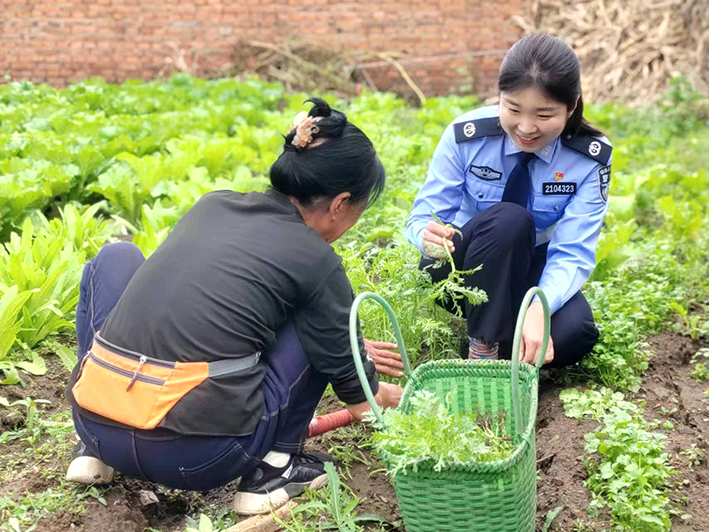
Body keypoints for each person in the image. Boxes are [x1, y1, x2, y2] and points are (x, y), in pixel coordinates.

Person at [64, 98, 404, 515]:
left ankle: (91, 446)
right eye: (358, 211)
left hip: (99, 429)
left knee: (116, 258)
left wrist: (349, 343)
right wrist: (384, 390)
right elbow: (362, 404)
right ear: (339, 203)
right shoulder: (315, 258)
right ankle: (276, 469)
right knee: (312, 315)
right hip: (197, 456)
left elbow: (207, 307)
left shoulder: (212, 205)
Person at [405, 34, 611, 367]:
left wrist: (539, 305)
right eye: (513, 109)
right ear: (499, 97)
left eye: (544, 115)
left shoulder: (588, 159)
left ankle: (508, 338)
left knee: (576, 334)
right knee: (511, 220)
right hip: (465, 267)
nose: (526, 127)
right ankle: (484, 350)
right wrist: (426, 236)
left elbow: (573, 251)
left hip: (529, 265)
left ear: (571, 106)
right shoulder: (466, 137)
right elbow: (421, 218)